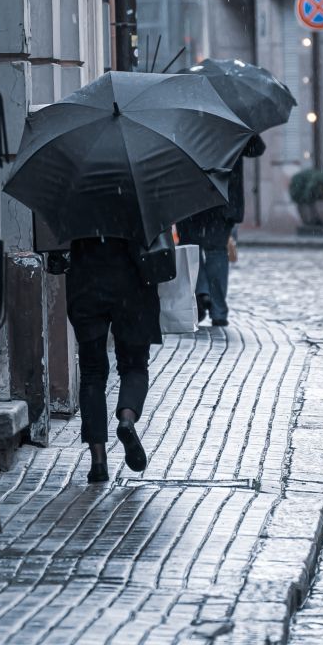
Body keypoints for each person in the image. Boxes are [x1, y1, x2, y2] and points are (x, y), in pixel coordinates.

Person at [64, 236, 160, 483]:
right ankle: (126, 420)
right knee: (134, 365)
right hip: (132, 283)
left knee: (92, 373)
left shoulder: (76, 200)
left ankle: (98, 461)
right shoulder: (139, 200)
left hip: (86, 284)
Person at [177, 135, 265, 326]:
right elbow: (257, 149)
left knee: (190, 250)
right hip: (222, 199)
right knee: (216, 251)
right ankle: (218, 310)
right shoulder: (231, 122)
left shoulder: (182, 120)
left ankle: (202, 292)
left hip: (190, 198)